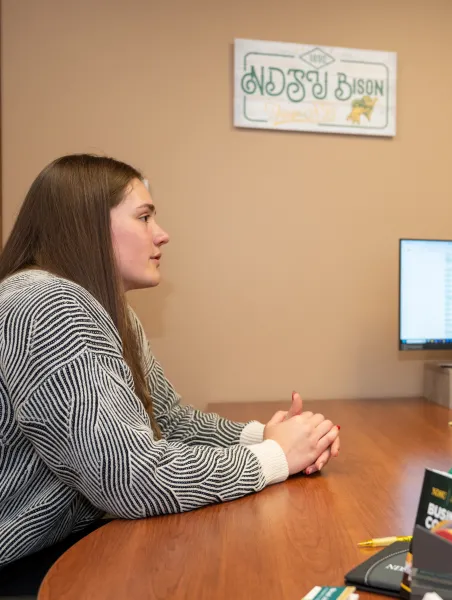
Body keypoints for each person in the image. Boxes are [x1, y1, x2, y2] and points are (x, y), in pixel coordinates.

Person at [0, 154, 340, 594]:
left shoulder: (108, 309)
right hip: (22, 566)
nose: (162, 234)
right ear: (86, 226)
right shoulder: (44, 305)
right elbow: (126, 477)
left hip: (64, 542)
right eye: (143, 217)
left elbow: (171, 422)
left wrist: (265, 437)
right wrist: (274, 458)